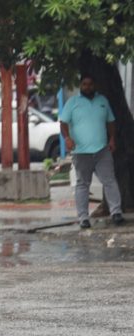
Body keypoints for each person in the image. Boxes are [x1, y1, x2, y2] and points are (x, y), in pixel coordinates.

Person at [60, 74, 124, 229]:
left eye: (90, 84)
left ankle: (116, 212)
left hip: (102, 150)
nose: (87, 87)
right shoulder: (73, 102)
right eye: (84, 84)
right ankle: (83, 218)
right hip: (81, 152)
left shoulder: (102, 101)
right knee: (82, 184)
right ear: (80, 86)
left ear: (94, 85)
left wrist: (112, 139)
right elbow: (63, 122)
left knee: (109, 180)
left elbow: (111, 121)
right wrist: (67, 138)